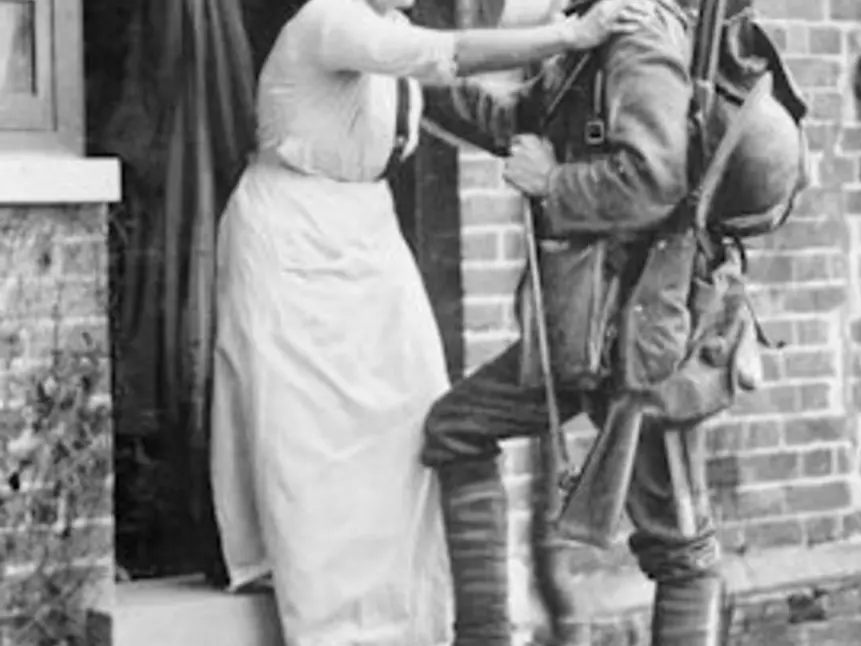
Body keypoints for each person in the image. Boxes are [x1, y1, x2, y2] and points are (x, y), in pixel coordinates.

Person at [208, 0, 649, 644]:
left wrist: (574, 37)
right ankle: (333, 620)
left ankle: (411, 612)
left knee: (414, 408)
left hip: (366, 232)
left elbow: (476, 49)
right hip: (293, 232)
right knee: (308, 432)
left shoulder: (388, 30)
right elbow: (447, 52)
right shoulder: (329, 22)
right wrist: (572, 32)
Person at [421, 0, 733, 643]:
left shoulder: (640, 37)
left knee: (681, 546)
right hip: (583, 324)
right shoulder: (600, 29)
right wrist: (413, 66)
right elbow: (521, 118)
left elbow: (655, 180)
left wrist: (552, 182)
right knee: (456, 428)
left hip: (644, 329)